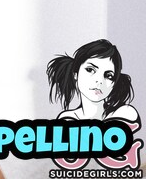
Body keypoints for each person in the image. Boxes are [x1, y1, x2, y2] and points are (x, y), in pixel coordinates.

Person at [47, 39, 142, 170]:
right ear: (75, 74)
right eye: (90, 69)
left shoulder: (125, 113)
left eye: (109, 76)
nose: (99, 81)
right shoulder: (67, 118)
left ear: (114, 84)